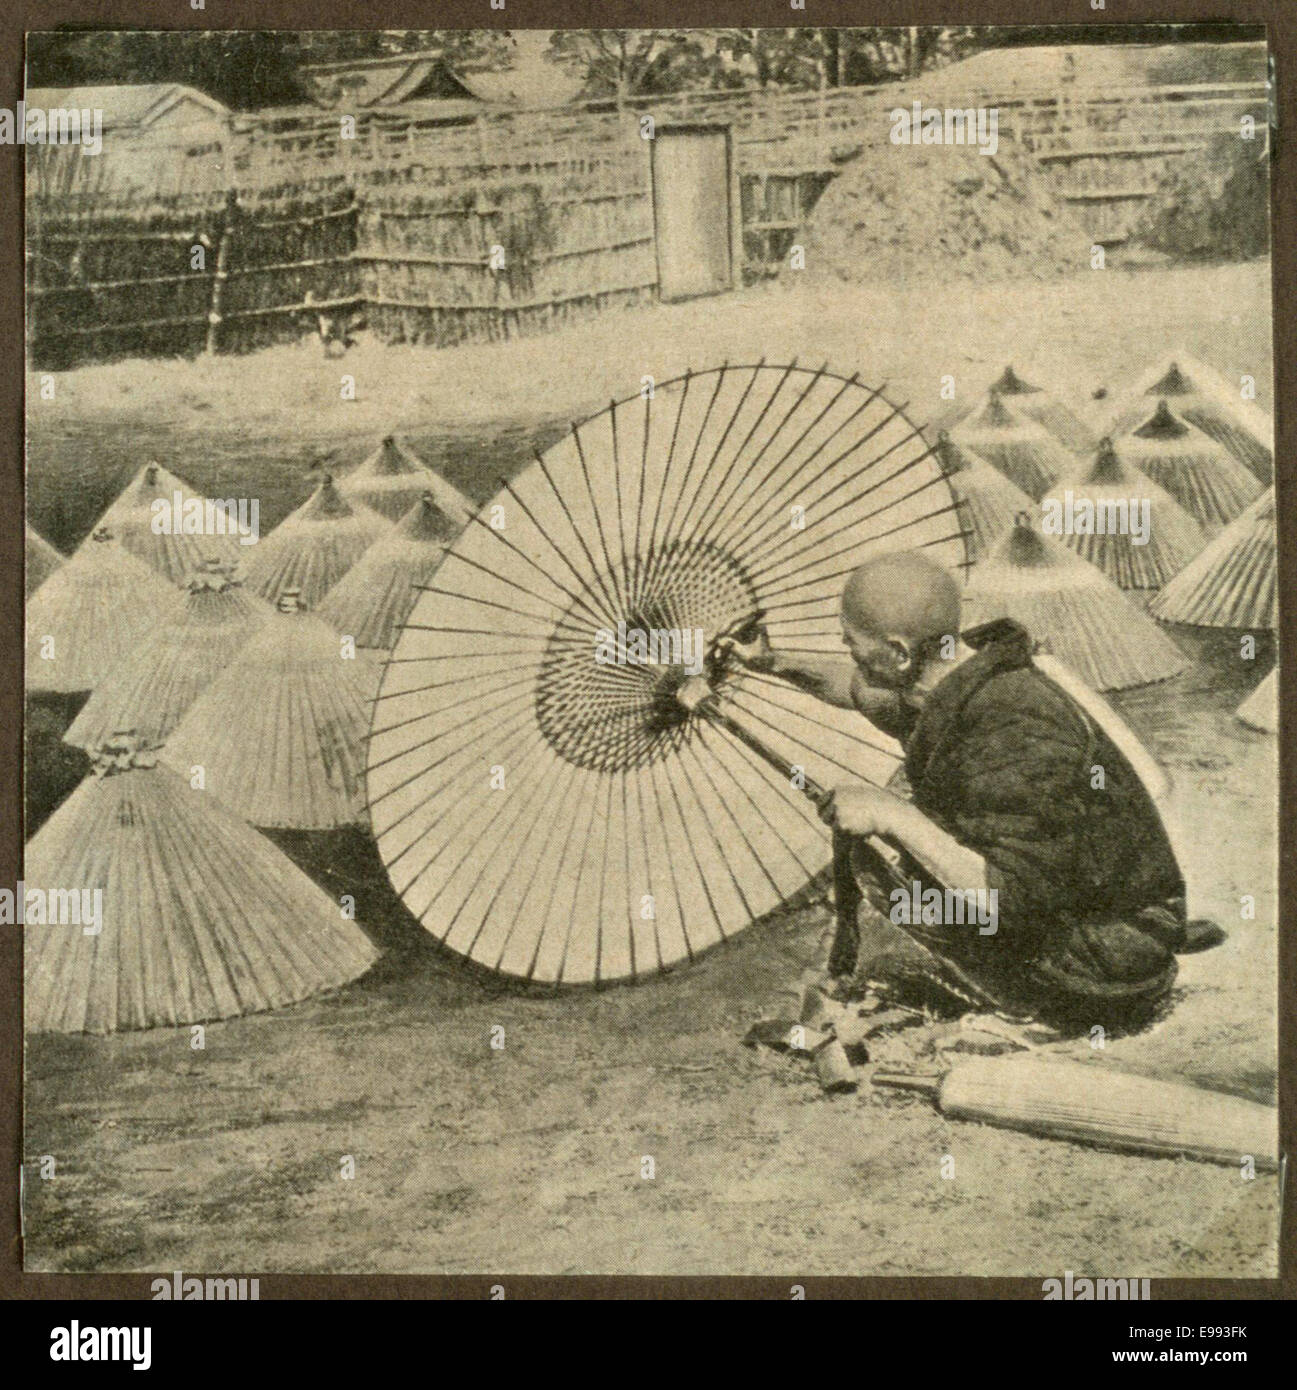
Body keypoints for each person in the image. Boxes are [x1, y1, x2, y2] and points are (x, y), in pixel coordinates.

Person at [725, 550, 1222, 1031]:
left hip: (1109, 957)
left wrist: (892, 815)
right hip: (1080, 901)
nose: (848, 651)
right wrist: (771, 662)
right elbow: (861, 690)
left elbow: (1008, 900)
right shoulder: (962, 672)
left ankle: (1043, 1008)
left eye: (851, 641)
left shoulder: (1012, 727)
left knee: (883, 866)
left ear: (899, 653)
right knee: (899, 841)